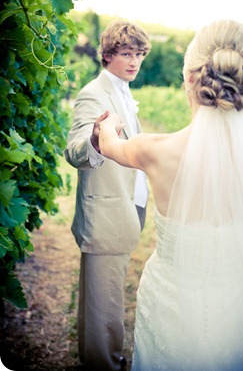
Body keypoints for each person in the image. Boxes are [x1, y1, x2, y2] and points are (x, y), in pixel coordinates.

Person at [97, 20, 243, 371]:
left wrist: (107, 125)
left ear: (190, 78)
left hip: (169, 306)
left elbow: (108, 145)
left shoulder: (153, 149)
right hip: (240, 312)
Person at [64, 19, 151, 371]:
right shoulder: (94, 94)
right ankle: (106, 365)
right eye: (126, 53)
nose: (134, 61)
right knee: (105, 306)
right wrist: (96, 141)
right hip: (105, 217)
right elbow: (74, 150)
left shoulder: (124, 93)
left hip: (124, 214)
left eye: (139, 54)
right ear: (108, 54)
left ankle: (103, 360)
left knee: (105, 303)